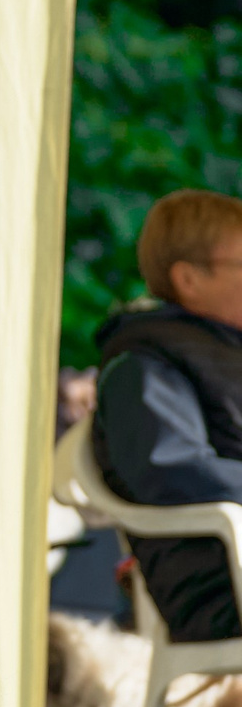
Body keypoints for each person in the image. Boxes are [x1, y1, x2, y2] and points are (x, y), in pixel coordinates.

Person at [93, 189, 242, 643]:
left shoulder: (222, 350)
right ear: (190, 279)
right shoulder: (142, 364)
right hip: (219, 583)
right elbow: (173, 468)